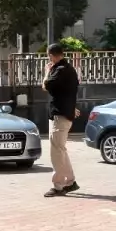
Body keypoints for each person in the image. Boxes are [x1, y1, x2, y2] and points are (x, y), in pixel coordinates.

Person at [42, 43, 81, 197]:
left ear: (51, 55)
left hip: (61, 116)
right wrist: (71, 107)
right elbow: (68, 93)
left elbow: (45, 85)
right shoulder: (70, 69)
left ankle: (59, 186)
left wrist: (46, 72)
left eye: (48, 56)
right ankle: (70, 181)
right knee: (61, 150)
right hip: (64, 113)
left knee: (56, 152)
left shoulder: (59, 70)